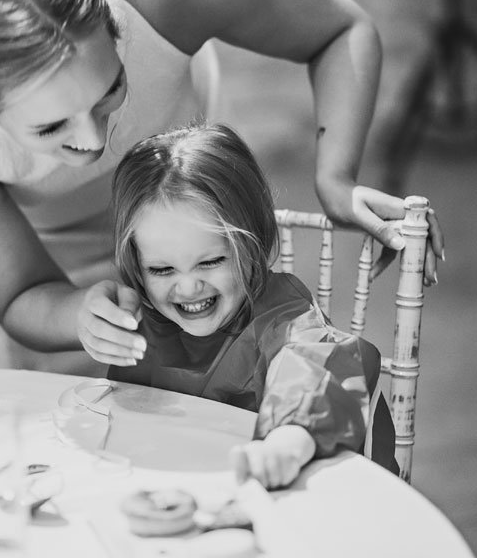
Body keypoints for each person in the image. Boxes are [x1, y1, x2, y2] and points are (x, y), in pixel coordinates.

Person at [0, 0, 444, 373]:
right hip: (30, 264)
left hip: (184, 223)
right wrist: (79, 313)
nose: (95, 140)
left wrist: (335, 175)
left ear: (116, 28)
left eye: (111, 88)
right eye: (50, 128)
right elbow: (20, 294)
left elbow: (340, 28)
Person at [108, 122, 396, 486]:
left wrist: (287, 444)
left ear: (252, 244)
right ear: (137, 263)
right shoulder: (146, 320)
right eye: (162, 269)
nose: (188, 286)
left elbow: (320, 369)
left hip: (272, 499)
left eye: (210, 261)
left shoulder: (282, 318)